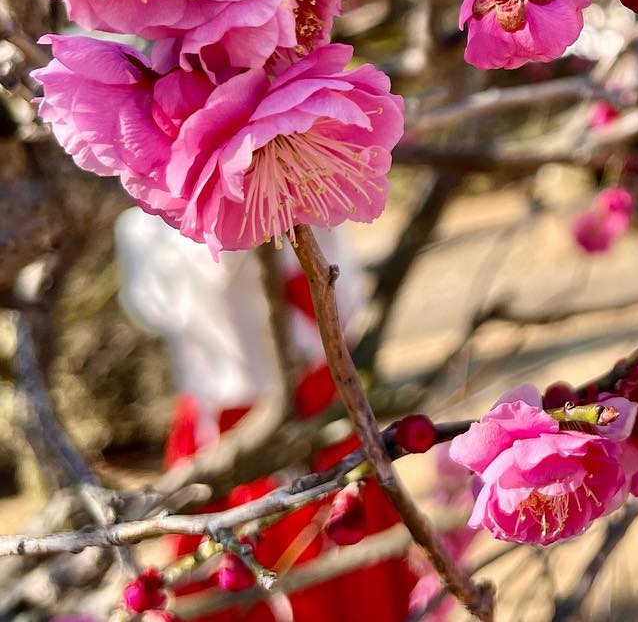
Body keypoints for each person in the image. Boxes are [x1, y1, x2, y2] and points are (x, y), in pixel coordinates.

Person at [116, 209, 418, 621]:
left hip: (296, 407)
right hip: (240, 421)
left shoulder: (294, 203)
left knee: (332, 550)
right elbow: (344, 298)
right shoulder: (150, 231)